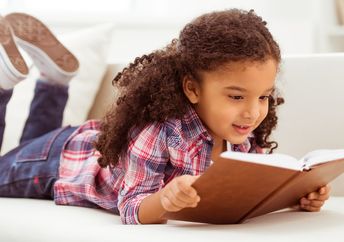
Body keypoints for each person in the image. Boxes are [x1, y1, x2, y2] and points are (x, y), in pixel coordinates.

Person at [0, 10, 331, 225]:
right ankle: (5, 83)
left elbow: (249, 194)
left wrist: (296, 196)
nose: (253, 111)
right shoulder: (161, 134)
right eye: (236, 96)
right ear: (192, 88)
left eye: (263, 96)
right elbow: (131, 208)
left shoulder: (242, 134)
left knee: (28, 142)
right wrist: (164, 201)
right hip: (60, 162)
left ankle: (54, 80)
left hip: (73, 144)